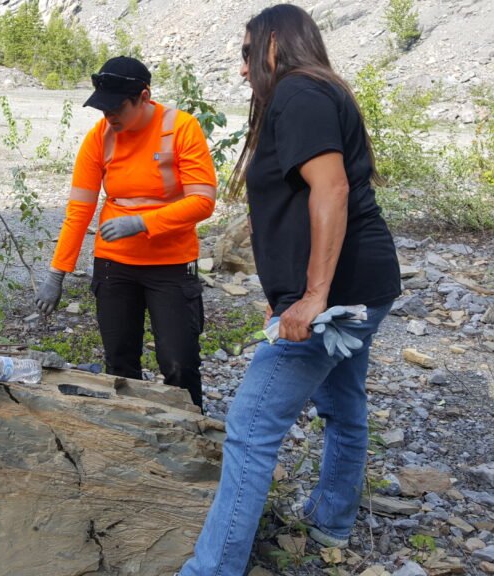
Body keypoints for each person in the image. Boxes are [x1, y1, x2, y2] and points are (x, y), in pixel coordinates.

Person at [178, 5, 401, 574]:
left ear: (274, 44)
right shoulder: (316, 90)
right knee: (343, 403)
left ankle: (211, 569)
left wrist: (313, 297)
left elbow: (330, 191)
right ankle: (332, 519)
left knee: (251, 429)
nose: (243, 68)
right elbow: (303, 193)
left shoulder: (299, 94)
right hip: (364, 285)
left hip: (337, 298)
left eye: (247, 52)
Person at [34, 56, 218, 409]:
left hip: (173, 265)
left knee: (179, 363)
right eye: (103, 109)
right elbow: (79, 210)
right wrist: (56, 274)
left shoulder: (181, 128)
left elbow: (203, 202)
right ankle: (129, 433)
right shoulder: (99, 138)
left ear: (144, 97)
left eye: (117, 107)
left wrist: (143, 223)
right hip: (114, 265)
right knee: (119, 362)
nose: (109, 116)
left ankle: (192, 431)